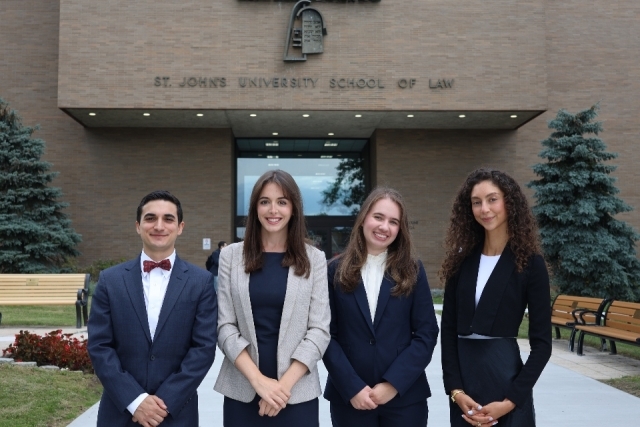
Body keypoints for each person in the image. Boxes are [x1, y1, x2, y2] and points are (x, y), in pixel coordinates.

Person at [88, 190, 218, 427]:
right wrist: (135, 401)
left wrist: (165, 401)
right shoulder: (110, 280)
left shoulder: (201, 282)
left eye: (168, 219)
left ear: (180, 227)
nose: (159, 226)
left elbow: (204, 348)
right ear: (138, 226)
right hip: (120, 412)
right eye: (150, 218)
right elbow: (100, 346)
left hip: (176, 413)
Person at [214, 170, 330, 426]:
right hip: (243, 390)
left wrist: (280, 389)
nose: (272, 209)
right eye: (265, 201)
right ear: (255, 207)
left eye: (282, 201)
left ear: (293, 208)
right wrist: (260, 383)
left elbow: (319, 330)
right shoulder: (231, 257)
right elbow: (225, 327)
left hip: (296, 393)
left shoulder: (315, 259)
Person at [440, 168, 552, 427]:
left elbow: (542, 345)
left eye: (492, 199)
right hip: (464, 386)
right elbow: (447, 331)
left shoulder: (530, 264)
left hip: (507, 382)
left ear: (509, 202)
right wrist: (455, 391)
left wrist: (511, 400)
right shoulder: (462, 261)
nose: (484, 209)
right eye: (476, 202)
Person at [323, 187, 439, 427]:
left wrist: (393, 384)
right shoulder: (334, 270)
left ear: (400, 229)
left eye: (393, 221)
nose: (384, 227)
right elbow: (325, 335)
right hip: (350, 400)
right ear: (364, 218)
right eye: (378, 217)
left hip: (405, 399)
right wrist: (352, 387)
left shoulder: (412, 270)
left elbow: (426, 333)